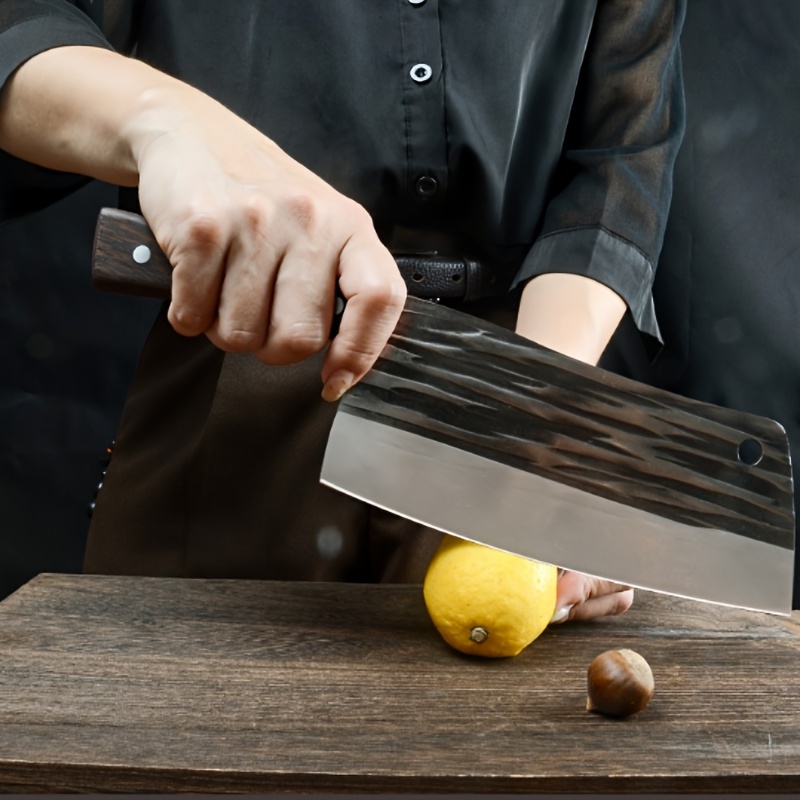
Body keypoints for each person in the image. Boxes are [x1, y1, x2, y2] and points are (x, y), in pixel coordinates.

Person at [0, 1, 686, 622]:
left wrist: (538, 407)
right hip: (246, 365)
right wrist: (166, 122)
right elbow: (24, 24)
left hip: (510, 379)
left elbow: (622, 157)